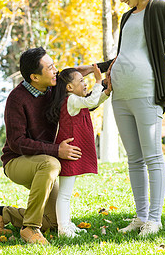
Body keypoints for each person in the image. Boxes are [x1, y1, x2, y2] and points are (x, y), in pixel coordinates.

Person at [78, 0, 165, 236]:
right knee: (134, 159)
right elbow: (123, 55)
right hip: (120, 94)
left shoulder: (159, 8)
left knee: (153, 157)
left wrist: (160, 49)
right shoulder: (125, 17)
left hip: (146, 91)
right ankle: (141, 216)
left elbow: (153, 46)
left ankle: (154, 220)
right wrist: (92, 67)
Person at [0, 47, 82, 245]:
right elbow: (16, 143)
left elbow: (76, 73)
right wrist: (57, 150)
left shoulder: (54, 89)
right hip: (17, 162)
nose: (56, 71)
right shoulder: (17, 99)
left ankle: (1, 214)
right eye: (50, 68)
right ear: (34, 77)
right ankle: (30, 228)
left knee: (54, 220)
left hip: (43, 160)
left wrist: (107, 70)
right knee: (51, 164)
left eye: (54, 65)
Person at [46, 64, 112, 238]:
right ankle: (63, 229)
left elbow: (91, 103)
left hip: (71, 152)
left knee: (66, 193)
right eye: (81, 81)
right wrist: (99, 81)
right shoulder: (71, 99)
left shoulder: (73, 100)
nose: (85, 84)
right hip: (68, 153)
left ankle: (66, 224)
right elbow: (90, 101)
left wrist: (105, 93)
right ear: (69, 87)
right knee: (65, 194)